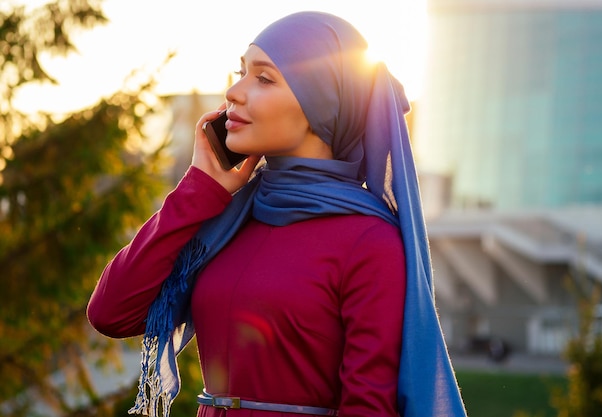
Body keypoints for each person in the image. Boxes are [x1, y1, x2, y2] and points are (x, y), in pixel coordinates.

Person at [87, 11, 467, 417]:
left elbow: (369, 407)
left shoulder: (369, 243)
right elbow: (111, 313)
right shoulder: (230, 217)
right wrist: (198, 189)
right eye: (240, 72)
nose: (234, 91)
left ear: (321, 104)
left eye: (264, 78)